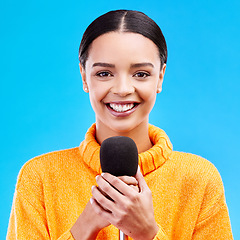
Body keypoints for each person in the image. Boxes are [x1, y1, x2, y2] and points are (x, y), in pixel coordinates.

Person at [7, 10, 233, 240]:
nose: (123, 88)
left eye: (141, 73)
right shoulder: (39, 177)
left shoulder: (200, 179)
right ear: (84, 77)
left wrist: (147, 232)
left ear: (160, 77)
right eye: (104, 73)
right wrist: (84, 227)